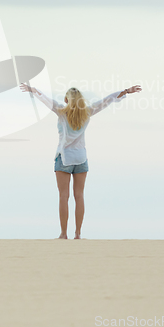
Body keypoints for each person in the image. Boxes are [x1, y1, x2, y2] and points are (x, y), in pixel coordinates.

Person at [20, 82, 142, 239]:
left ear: (66, 99)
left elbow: (45, 99)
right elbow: (107, 100)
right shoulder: (88, 112)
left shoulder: (60, 111)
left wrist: (32, 90)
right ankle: (77, 234)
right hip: (81, 159)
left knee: (64, 196)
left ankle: (64, 234)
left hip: (64, 158)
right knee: (79, 196)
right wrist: (126, 91)